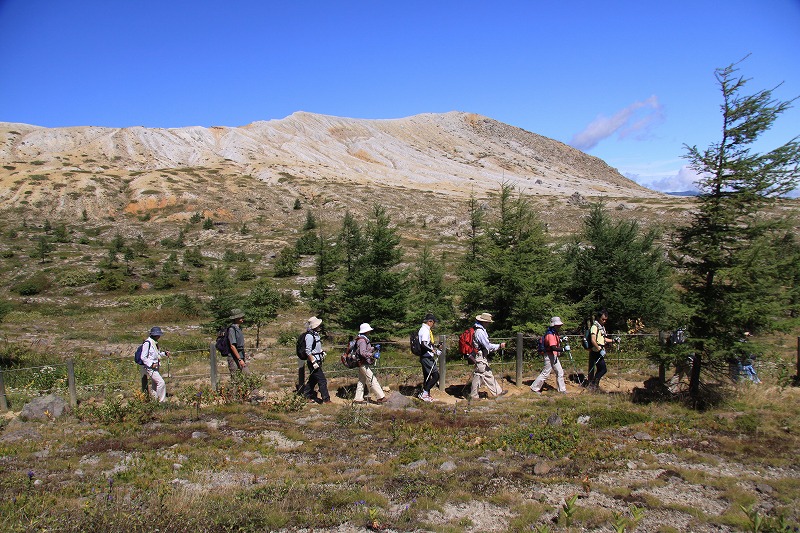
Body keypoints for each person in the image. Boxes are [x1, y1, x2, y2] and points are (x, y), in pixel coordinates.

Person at [470, 312, 507, 400]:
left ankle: (497, 392)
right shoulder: (480, 332)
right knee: (478, 375)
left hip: (481, 355)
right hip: (480, 355)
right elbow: (487, 345)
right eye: (488, 322)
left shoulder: (479, 329)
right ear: (484, 322)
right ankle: (473, 396)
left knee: (487, 373)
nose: (489, 324)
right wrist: (498, 346)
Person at [531, 317, 567, 394]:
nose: (559, 326)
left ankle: (562, 390)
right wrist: (563, 349)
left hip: (554, 356)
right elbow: (553, 347)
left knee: (560, 372)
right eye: (557, 325)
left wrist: (561, 339)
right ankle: (534, 388)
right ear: (553, 325)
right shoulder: (550, 335)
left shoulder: (554, 333)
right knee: (545, 373)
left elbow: (556, 342)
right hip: (549, 356)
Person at [353, 323, 387, 404]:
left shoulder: (362, 339)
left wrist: (373, 348)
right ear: (366, 331)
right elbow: (363, 352)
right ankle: (380, 397)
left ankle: (358, 398)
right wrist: (372, 354)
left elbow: (364, 350)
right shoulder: (362, 340)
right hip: (363, 362)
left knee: (362, 380)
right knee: (372, 378)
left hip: (361, 362)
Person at [303, 316, 331, 403]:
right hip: (313, 361)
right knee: (322, 380)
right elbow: (308, 351)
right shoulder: (309, 336)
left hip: (317, 360)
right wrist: (313, 361)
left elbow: (315, 347)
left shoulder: (315, 334)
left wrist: (321, 351)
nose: (319, 326)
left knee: (313, 379)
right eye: (318, 325)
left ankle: (306, 396)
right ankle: (326, 399)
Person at [140, 326, 170, 402]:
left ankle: (154, 400)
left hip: (156, 366)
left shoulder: (155, 343)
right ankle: (161, 401)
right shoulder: (148, 343)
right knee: (161, 382)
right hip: (150, 367)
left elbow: (157, 353)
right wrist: (151, 364)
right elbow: (143, 357)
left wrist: (164, 354)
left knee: (155, 384)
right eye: (158, 335)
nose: (159, 336)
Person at [416, 313, 441, 402]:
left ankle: (426, 395)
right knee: (435, 375)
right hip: (426, 356)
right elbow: (424, 344)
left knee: (427, 376)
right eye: (433, 322)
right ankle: (425, 393)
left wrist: (435, 347)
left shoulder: (423, 329)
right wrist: (433, 351)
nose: (433, 324)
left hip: (424, 355)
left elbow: (427, 343)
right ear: (429, 322)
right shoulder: (425, 330)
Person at [587, 310, 613, 390]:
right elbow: (593, 340)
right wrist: (599, 349)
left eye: (605, 319)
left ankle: (595, 385)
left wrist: (613, 340)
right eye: (603, 319)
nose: (604, 321)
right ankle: (593, 384)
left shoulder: (601, 327)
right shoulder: (595, 327)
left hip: (600, 350)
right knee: (603, 369)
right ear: (599, 318)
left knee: (600, 369)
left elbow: (603, 339)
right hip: (596, 351)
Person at [224, 309, 249, 376]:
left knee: (246, 375)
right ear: (236, 318)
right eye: (241, 317)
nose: (242, 318)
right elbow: (232, 346)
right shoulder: (232, 329)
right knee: (236, 378)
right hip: (234, 358)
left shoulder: (238, 328)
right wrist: (240, 359)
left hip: (240, 356)